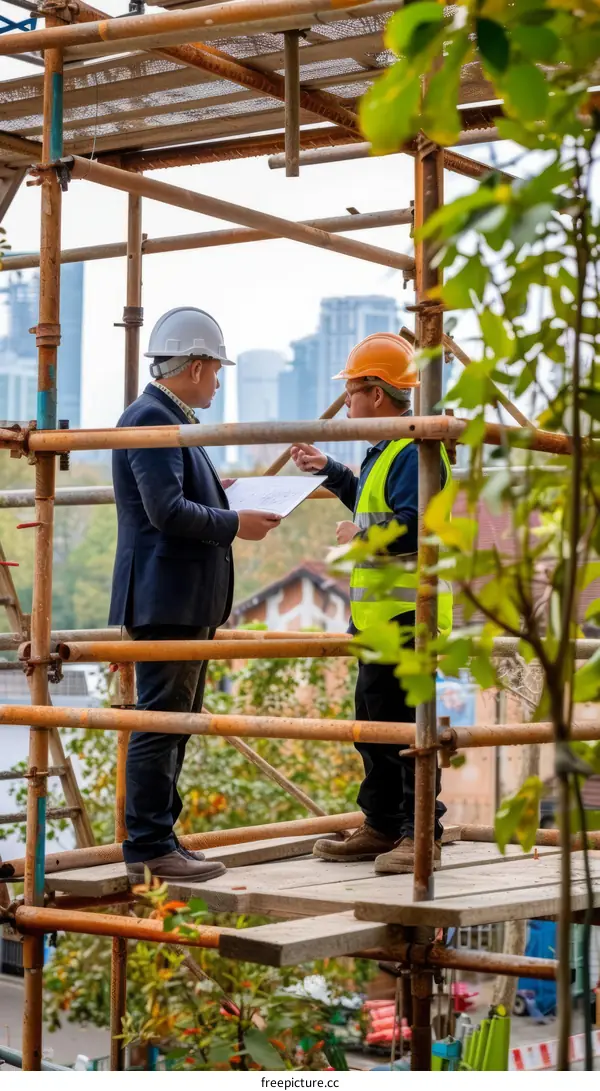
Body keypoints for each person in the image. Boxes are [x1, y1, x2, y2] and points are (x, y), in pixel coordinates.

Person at [109, 307, 281, 885]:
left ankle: (161, 839)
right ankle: (151, 844)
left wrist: (220, 492)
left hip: (180, 599)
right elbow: (165, 511)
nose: (217, 381)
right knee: (161, 722)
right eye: (215, 370)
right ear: (197, 364)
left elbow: (176, 493)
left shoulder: (168, 415)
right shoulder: (152, 418)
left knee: (175, 721)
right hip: (167, 602)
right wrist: (235, 522)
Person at [291, 332, 452, 875]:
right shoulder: (386, 450)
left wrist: (358, 538)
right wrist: (329, 469)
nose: (347, 403)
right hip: (382, 618)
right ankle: (383, 823)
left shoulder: (413, 450)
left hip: (411, 617)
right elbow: (369, 499)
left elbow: (417, 526)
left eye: (352, 392)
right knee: (375, 725)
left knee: (409, 731)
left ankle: (418, 831)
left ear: (377, 394)